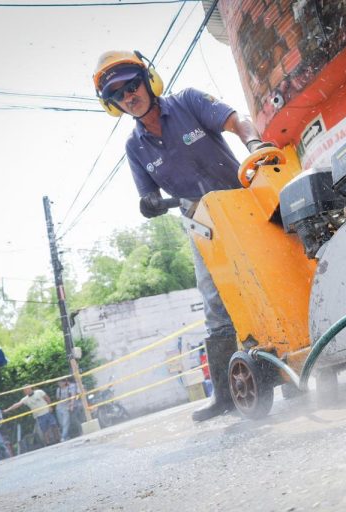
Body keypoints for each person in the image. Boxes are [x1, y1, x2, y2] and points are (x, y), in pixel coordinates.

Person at [93, 51, 276, 422]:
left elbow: (236, 119)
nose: (130, 96)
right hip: (199, 223)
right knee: (214, 302)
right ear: (113, 105)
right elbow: (147, 194)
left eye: (133, 85)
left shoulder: (189, 102)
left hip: (242, 200)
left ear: (149, 81)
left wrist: (254, 144)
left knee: (272, 274)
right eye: (119, 94)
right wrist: (148, 203)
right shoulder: (134, 148)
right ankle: (226, 394)